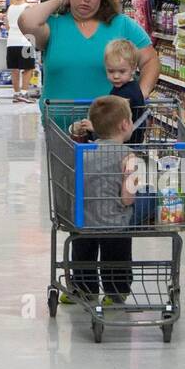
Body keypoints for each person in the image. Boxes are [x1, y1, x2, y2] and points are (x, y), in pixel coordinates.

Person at [17, 0, 158, 108]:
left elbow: (150, 60)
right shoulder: (53, 24)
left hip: (110, 126)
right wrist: (60, 1)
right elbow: (27, 21)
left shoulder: (121, 24)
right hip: (59, 126)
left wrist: (139, 95)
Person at [69, 95, 141, 305]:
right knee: (117, 253)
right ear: (125, 124)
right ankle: (116, 291)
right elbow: (127, 199)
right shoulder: (129, 157)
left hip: (83, 219)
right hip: (114, 222)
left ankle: (85, 289)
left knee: (82, 249)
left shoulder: (83, 153)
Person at [69, 38, 147, 143]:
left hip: (126, 142)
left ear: (133, 69)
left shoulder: (127, 94)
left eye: (122, 71)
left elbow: (114, 121)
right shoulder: (125, 86)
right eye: (111, 71)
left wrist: (95, 127)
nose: (116, 76)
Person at [5, 0, 36, 103]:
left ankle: (16, 94)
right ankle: (24, 93)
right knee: (28, 68)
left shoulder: (10, 8)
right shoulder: (27, 7)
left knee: (14, 69)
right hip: (26, 41)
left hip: (11, 42)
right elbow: (32, 24)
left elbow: (7, 25)